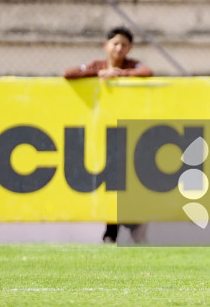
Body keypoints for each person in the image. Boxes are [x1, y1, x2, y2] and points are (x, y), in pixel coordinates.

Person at [63, 25, 152, 244]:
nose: (119, 48)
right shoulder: (97, 66)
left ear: (129, 48)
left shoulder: (132, 66)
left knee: (128, 181)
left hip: (128, 132)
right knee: (112, 182)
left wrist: (122, 74)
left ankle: (128, 225)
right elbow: (69, 73)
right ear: (106, 46)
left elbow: (146, 72)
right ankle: (113, 231)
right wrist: (98, 73)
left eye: (124, 45)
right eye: (115, 44)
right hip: (104, 132)